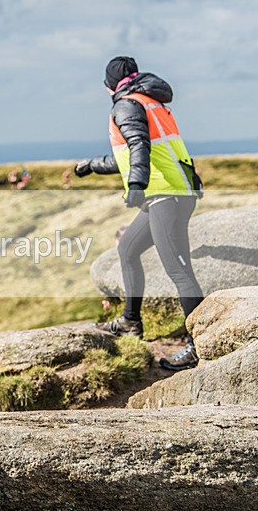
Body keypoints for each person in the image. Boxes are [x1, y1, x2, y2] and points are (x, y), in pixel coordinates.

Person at [75, 56, 204, 371]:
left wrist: (136, 184)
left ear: (109, 85)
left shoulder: (126, 105)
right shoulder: (149, 101)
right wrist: (93, 165)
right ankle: (131, 321)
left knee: (179, 271)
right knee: (128, 248)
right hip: (171, 192)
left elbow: (139, 146)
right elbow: (129, 153)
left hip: (165, 195)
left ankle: (200, 344)